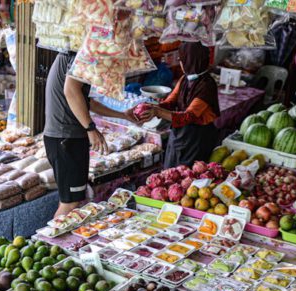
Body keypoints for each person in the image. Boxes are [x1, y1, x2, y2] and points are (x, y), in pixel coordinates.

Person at [44, 51, 149, 218]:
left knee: (71, 199)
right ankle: (54, 242)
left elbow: (87, 101)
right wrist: (90, 128)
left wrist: (123, 115)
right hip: (67, 138)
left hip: (64, 137)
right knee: (70, 204)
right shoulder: (78, 56)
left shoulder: (71, 55)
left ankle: (62, 241)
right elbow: (70, 91)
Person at [148, 42, 220, 168]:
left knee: (187, 176)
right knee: (170, 170)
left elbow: (189, 116)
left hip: (196, 139)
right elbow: (170, 102)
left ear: (191, 60)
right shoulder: (185, 79)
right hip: (180, 135)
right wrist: (152, 107)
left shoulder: (207, 85)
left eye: (182, 59)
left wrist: (158, 112)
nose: (180, 62)